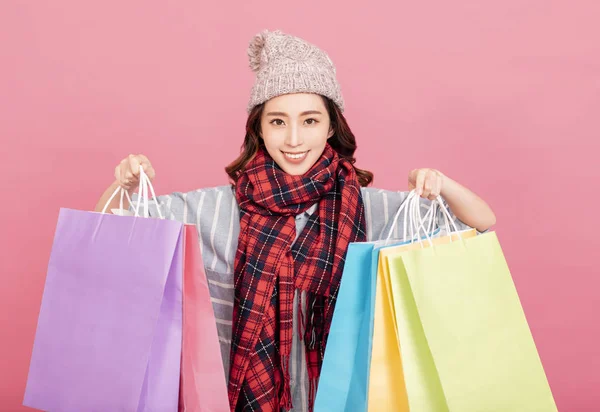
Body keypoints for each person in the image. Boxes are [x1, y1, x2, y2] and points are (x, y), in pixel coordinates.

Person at [95, 30, 496, 412]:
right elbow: (110, 230)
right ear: (260, 128)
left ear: (330, 126)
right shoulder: (216, 208)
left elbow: (481, 224)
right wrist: (124, 184)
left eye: (309, 121)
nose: (293, 140)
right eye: (277, 121)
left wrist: (442, 185)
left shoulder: (373, 210)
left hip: (345, 398)